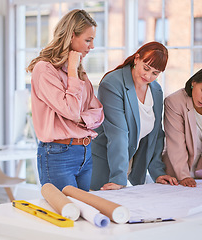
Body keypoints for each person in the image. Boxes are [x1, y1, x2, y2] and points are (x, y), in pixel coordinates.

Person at [26, 9, 104, 192]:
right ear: (71, 37)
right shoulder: (44, 70)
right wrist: (71, 70)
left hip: (85, 152)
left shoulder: (79, 72)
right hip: (58, 155)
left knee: (86, 214)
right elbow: (71, 111)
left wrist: (81, 119)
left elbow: (98, 113)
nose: (91, 46)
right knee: (66, 214)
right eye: (88, 40)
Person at [90, 41, 178, 191]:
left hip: (129, 163)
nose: (148, 75)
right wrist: (119, 177)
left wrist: (157, 172)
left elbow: (156, 134)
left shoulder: (156, 90)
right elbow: (118, 133)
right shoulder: (112, 83)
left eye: (155, 73)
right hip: (105, 164)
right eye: (146, 68)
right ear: (137, 58)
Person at [162, 65, 202, 187]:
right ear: (194, 82)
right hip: (176, 172)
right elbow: (176, 142)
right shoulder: (174, 101)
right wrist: (184, 176)